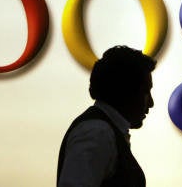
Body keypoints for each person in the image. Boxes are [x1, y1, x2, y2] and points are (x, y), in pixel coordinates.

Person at [57, 45, 156, 187]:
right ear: (126, 91)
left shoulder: (102, 131)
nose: (151, 103)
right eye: (146, 91)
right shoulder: (98, 132)